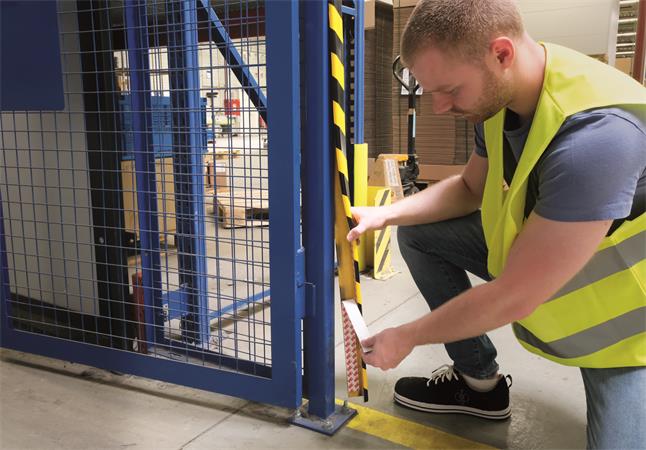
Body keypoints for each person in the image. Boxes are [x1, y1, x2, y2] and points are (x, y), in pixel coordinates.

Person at [346, 1, 646, 448]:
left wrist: (407, 336)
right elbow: (470, 187)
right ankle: (479, 385)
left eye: (450, 90)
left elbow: (515, 296)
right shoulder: (506, 95)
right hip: (553, 262)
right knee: (421, 234)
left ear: (501, 53)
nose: (440, 107)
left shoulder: (597, 138)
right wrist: (386, 213)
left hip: (625, 321)